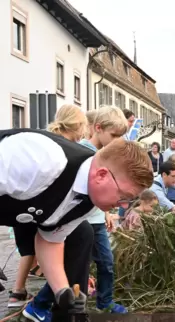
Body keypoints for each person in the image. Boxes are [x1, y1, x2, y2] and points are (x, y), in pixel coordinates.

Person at [0, 129, 152, 320]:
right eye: (124, 197)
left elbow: (50, 240)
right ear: (102, 175)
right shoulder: (43, 159)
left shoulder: (87, 201)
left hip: (18, 212)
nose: (122, 206)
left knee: (82, 234)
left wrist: (62, 291)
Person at [32, 106, 129, 315]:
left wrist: (106, 214)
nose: (116, 141)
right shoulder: (82, 153)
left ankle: (105, 302)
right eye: (113, 135)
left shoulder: (105, 154)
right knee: (72, 267)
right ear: (98, 128)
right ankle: (41, 304)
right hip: (77, 222)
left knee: (106, 264)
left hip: (95, 220)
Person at [9, 105, 88, 309]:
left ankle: (19, 293)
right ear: (78, 125)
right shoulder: (60, 153)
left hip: (30, 209)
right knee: (34, 247)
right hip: (35, 210)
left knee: (32, 249)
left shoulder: (56, 143)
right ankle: (26, 295)